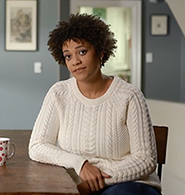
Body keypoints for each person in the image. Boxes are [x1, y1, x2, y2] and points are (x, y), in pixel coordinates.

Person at [28, 13, 161, 195]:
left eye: (82, 51)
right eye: (68, 56)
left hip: (128, 184)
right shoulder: (59, 93)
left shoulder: (129, 96)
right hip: (77, 184)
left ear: (100, 51)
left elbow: (145, 160)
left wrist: (95, 180)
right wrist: (79, 164)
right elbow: (37, 146)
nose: (75, 61)